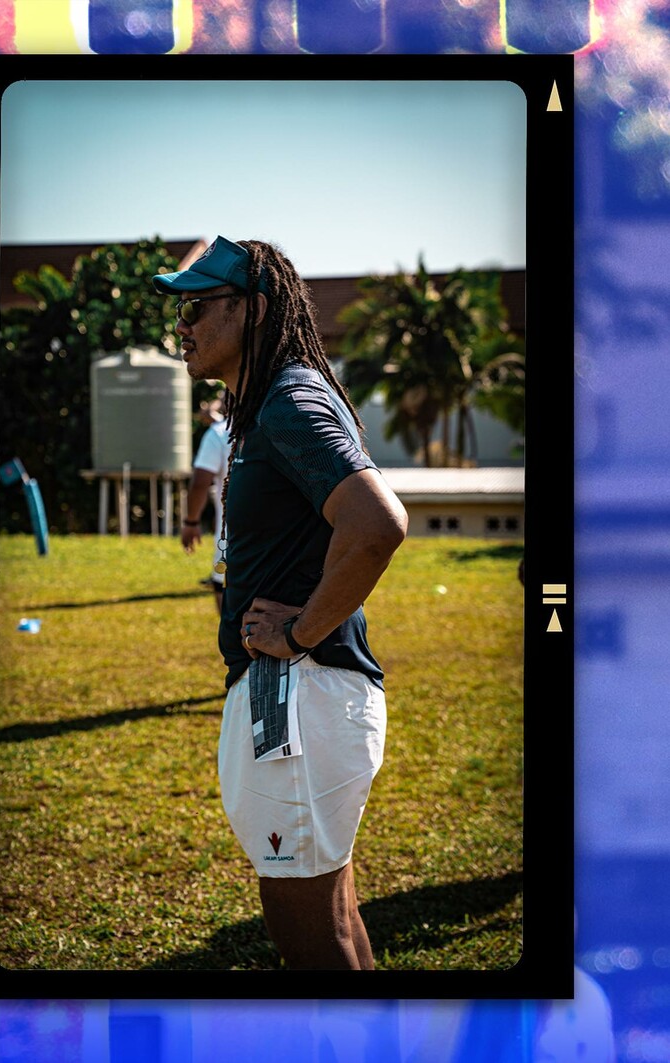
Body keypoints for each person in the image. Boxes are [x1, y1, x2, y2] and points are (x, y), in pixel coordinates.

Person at [153, 235, 408, 970]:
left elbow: (377, 525)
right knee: (332, 917)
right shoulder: (272, 396)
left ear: (256, 308)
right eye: (181, 308)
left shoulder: (290, 398)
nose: (184, 324)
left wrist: (300, 629)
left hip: (296, 694)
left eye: (199, 305)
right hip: (302, 695)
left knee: (309, 936)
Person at [181, 399, 232, 615]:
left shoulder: (220, 433)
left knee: (224, 593)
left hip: (232, 538)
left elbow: (201, 481)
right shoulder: (276, 426)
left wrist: (191, 521)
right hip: (283, 541)